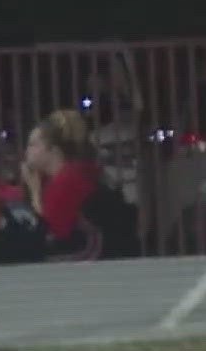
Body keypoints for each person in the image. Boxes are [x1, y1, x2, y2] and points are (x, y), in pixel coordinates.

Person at [24, 109, 139, 260]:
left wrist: (34, 193)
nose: (27, 151)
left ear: (53, 149)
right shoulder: (78, 172)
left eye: (33, 145)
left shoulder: (66, 181)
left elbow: (50, 234)